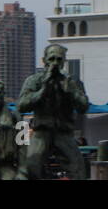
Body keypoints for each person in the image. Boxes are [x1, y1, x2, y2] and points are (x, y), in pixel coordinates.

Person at [17, 43, 91, 180]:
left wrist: (71, 92)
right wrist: (42, 91)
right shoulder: (34, 80)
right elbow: (21, 106)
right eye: (51, 59)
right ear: (44, 60)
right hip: (41, 132)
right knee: (29, 167)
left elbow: (84, 107)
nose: (55, 63)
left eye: (59, 59)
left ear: (64, 61)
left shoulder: (72, 81)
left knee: (79, 169)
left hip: (64, 133)